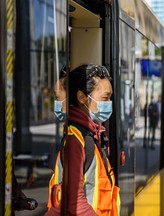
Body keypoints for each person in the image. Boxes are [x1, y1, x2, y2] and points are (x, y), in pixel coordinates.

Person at [45, 64, 120, 215]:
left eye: (110, 98)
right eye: (105, 98)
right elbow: (74, 202)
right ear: (82, 97)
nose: (109, 103)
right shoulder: (76, 138)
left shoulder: (92, 134)